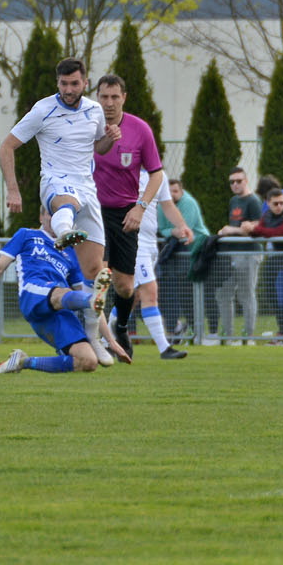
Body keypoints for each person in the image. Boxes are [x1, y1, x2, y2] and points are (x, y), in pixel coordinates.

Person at [0, 57, 118, 364]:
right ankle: (64, 232)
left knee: (95, 271)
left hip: (88, 188)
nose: (68, 89)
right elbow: (6, 146)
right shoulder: (42, 109)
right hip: (55, 181)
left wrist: (109, 139)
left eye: (74, 83)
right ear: (57, 83)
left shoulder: (94, 110)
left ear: (84, 82)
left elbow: (98, 147)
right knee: (66, 204)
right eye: (63, 84)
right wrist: (13, 189)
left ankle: (93, 334)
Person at [0, 208, 127, 372]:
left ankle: (24, 361)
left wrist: (111, 341)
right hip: (33, 294)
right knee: (69, 294)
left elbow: (94, 299)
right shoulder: (26, 235)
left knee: (88, 361)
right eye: (51, 215)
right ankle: (87, 302)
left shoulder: (71, 252)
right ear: (41, 217)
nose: (56, 220)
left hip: (59, 307)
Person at [90, 74, 183, 358]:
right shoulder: (88, 126)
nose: (109, 103)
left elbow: (157, 174)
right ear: (97, 97)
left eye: (114, 97)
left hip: (126, 213)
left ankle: (119, 328)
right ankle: (93, 338)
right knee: (98, 275)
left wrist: (140, 207)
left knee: (126, 286)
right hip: (93, 211)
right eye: (104, 97)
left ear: (124, 98)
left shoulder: (140, 130)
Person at [127, 169, 191, 358]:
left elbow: (168, 205)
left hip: (150, 244)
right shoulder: (124, 169)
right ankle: (164, 348)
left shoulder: (157, 175)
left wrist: (182, 226)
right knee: (150, 291)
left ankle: (106, 340)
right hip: (133, 242)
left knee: (133, 295)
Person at [212, 166, 264, 344]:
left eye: (238, 181)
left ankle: (249, 336)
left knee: (246, 293)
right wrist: (227, 232)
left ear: (246, 180)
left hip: (249, 254)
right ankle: (228, 334)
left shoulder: (253, 201)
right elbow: (238, 227)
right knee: (223, 293)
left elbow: (257, 227)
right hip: (232, 254)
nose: (235, 184)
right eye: (232, 182)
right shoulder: (234, 201)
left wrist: (231, 229)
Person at [156, 175, 207, 339]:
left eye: (176, 191)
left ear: (182, 191)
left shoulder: (189, 203)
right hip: (175, 252)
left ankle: (196, 331)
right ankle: (175, 329)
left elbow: (187, 231)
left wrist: (176, 232)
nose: (172, 195)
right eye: (169, 191)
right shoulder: (162, 205)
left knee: (189, 293)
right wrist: (172, 231)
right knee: (168, 290)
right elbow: (162, 228)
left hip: (194, 251)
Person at [253, 185, 283, 339]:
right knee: (275, 297)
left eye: (282, 203)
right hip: (278, 260)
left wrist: (257, 230)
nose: (280, 206)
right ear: (267, 203)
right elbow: (258, 231)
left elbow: (279, 232)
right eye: (276, 203)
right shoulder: (267, 215)